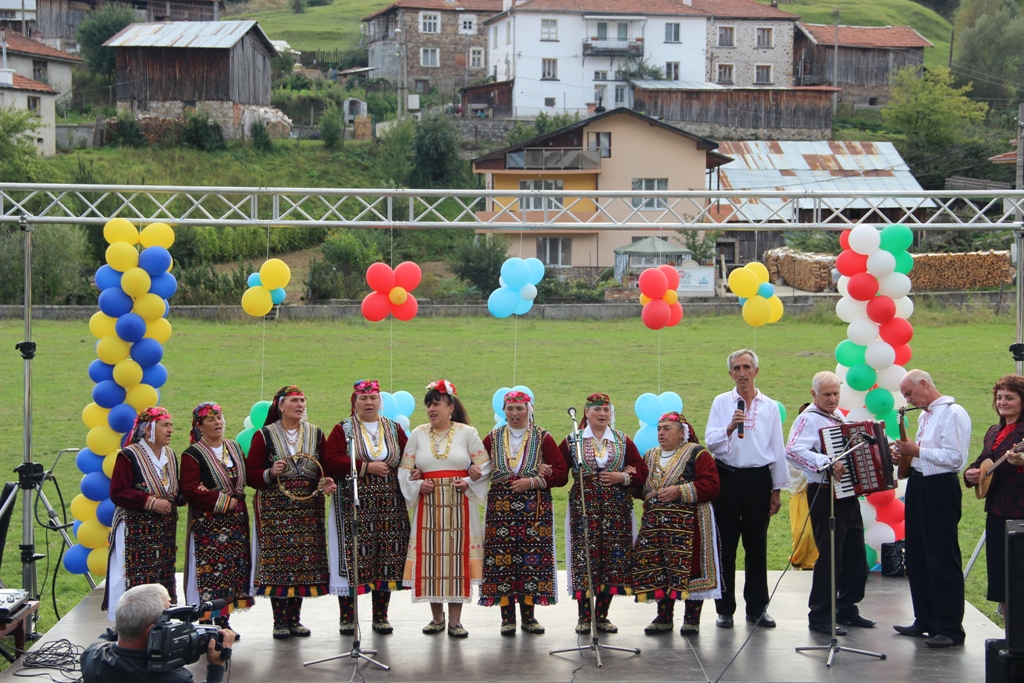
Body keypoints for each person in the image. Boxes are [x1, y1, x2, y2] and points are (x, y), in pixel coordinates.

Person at [399, 380, 491, 638]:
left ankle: (455, 621)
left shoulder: (467, 433)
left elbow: (484, 465)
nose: (431, 409)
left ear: (450, 407)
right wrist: (417, 483)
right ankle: (436, 618)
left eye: (436, 404)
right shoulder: (417, 433)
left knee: (455, 559)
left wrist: (471, 478)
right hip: (428, 504)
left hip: (459, 502)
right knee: (431, 558)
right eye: (428, 404)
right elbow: (404, 469)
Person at [704, 349, 788, 629]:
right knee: (725, 545)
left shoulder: (770, 406)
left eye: (747, 367)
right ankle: (724, 609)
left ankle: (757, 607)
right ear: (730, 374)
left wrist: (776, 489)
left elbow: (776, 447)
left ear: (756, 371)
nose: (742, 373)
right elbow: (710, 442)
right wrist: (730, 427)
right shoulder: (721, 402)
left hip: (758, 481)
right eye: (737, 368)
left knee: (757, 545)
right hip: (726, 479)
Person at [785, 372, 874, 635]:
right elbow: (792, 451)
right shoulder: (808, 419)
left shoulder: (838, 416)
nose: (833, 399)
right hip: (824, 494)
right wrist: (826, 462)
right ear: (814, 394)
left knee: (855, 553)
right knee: (830, 556)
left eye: (836, 393)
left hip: (846, 494)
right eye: (827, 394)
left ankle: (846, 607)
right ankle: (820, 614)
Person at [245, 385, 337, 640]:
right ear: (281, 405)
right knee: (279, 565)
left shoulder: (316, 434)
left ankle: (295, 619)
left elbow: (325, 467)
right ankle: (279, 621)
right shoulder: (264, 435)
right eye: (295, 401)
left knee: (303, 563)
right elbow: (251, 474)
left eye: (303, 401)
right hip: (276, 511)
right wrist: (270, 473)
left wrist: (326, 481)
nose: (300, 405)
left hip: (308, 509)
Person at [324, 379, 411, 636]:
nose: (369, 403)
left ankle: (380, 617)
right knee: (354, 559)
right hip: (354, 504)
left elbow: (409, 456)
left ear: (380, 402)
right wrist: (365, 467)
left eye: (373, 398)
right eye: (363, 399)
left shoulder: (394, 429)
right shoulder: (344, 429)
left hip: (390, 505)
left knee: (386, 558)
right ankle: (348, 618)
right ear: (355, 402)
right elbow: (331, 460)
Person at [892, 369, 971, 648]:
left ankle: (950, 627)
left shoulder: (953, 413)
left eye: (909, 393)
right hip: (919, 484)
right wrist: (904, 453)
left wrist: (916, 451)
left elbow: (954, 458)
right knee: (917, 554)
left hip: (940, 488)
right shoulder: (925, 415)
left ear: (924, 384)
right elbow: (919, 452)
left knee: (941, 556)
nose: (908, 399)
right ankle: (925, 619)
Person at [479, 390, 568, 636]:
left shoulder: (543, 438)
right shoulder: (494, 437)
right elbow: (477, 465)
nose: (515, 413)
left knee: (531, 561)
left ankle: (529, 617)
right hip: (501, 510)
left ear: (529, 410)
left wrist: (534, 482)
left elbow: (561, 473)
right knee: (502, 561)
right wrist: (474, 473)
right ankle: (507, 618)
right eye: (510, 408)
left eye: (520, 408)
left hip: (533, 510)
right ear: (503, 411)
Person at [559, 392, 647, 634]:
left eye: (606, 410)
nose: (602, 414)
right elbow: (558, 471)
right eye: (596, 409)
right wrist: (545, 470)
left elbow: (641, 470)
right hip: (583, 508)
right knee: (584, 559)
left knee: (613, 559)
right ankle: (584, 617)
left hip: (616, 509)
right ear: (586, 413)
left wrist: (623, 476)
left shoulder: (622, 440)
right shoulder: (573, 440)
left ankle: (602, 615)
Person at [633, 411, 721, 636]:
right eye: (659, 429)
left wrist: (679, 491)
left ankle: (692, 619)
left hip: (690, 525)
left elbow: (712, 485)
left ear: (682, 432)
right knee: (661, 567)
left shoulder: (697, 453)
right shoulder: (650, 455)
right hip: (657, 526)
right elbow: (641, 486)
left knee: (690, 568)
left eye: (667, 429)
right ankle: (664, 617)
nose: (661, 433)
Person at [180, 402, 253, 638]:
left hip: (236, 523)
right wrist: (221, 501)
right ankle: (207, 621)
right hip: (208, 527)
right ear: (199, 426)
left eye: (219, 417)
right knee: (211, 574)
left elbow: (247, 475)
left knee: (230, 572)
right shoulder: (193, 454)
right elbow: (190, 488)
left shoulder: (233, 447)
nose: (217, 422)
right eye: (210, 419)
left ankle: (224, 620)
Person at [103, 407, 183, 620]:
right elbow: (118, 492)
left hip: (163, 532)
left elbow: (174, 489)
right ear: (149, 430)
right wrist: (151, 503)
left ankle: (160, 619)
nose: (170, 430)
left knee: (161, 574)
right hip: (134, 531)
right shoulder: (129, 456)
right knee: (132, 576)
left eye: (171, 425)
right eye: (165, 425)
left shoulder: (170, 455)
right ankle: (129, 622)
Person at [82, 584, 234, 683]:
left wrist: (132, 615)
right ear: (153, 632)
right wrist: (216, 666)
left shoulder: (91, 657)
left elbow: (110, 633)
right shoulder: (173, 678)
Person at [965, 375, 1024, 617]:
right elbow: (982, 462)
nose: (1002, 402)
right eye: (999, 397)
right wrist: (971, 474)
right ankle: (1010, 636)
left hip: (1020, 514)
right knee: (1001, 575)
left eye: (1009, 397)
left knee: (1018, 576)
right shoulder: (993, 431)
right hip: (996, 512)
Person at [788, 403, 819, 571]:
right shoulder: (795, 441)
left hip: (819, 488)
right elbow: (791, 468)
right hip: (800, 490)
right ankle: (797, 560)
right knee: (803, 532)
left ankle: (812, 563)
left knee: (816, 531)